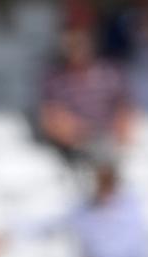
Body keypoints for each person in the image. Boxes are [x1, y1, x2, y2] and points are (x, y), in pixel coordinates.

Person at [38, 26, 135, 166]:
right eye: (72, 45)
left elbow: (124, 104)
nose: (76, 49)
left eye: (80, 44)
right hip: (72, 144)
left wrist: (119, 133)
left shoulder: (109, 72)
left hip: (109, 138)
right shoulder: (54, 78)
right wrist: (82, 132)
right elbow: (50, 115)